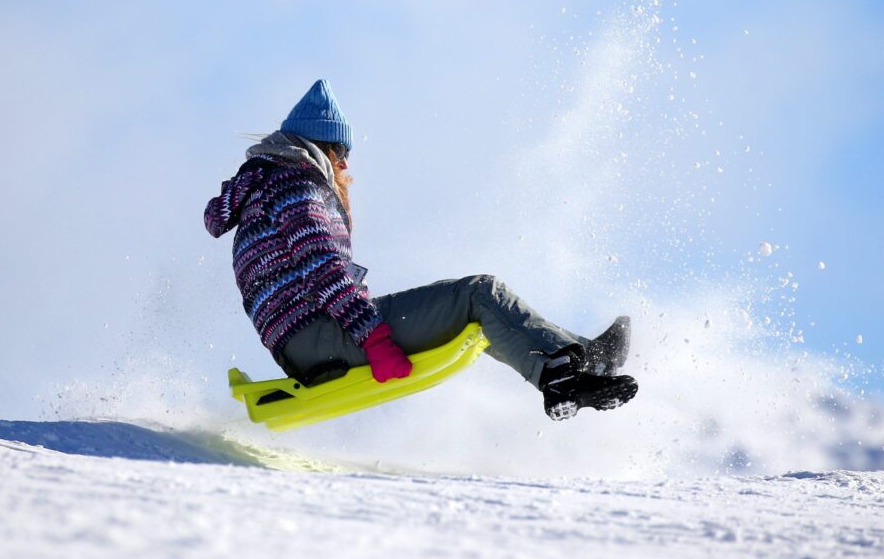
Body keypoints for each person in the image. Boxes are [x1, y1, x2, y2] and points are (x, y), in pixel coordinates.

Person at [204, 80, 638, 420]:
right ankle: (582, 362)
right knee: (477, 293)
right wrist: (372, 338)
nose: (345, 164)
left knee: (480, 317)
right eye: (340, 152)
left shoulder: (263, 189)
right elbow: (323, 269)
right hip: (320, 337)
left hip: (299, 344)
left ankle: (560, 373)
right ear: (320, 148)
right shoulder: (295, 184)